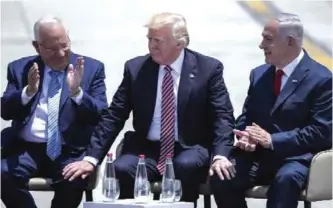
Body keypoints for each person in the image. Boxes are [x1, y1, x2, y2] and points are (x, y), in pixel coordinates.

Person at [63, 12, 235, 205]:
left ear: (180, 43)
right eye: (150, 39)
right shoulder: (136, 68)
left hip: (189, 147)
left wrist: (221, 155)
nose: (152, 45)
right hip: (147, 148)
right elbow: (114, 116)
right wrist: (91, 159)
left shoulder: (208, 69)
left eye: (158, 40)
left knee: (185, 166)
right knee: (122, 168)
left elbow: (223, 115)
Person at [210, 13, 332, 208]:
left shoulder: (321, 79)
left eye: (268, 39)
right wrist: (245, 136)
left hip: (296, 159)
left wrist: (272, 141)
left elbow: (321, 132)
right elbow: (248, 116)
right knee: (223, 176)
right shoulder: (259, 74)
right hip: (258, 157)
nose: (261, 45)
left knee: (285, 181)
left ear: (290, 41)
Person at [1, 15, 108, 208]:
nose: (60, 54)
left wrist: (77, 93)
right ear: (37, 46)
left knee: (73, 177)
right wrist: (28, 92)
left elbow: (100, 114)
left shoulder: (91, 68)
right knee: (3, 173)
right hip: (28, 148)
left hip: (69, 148)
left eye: (64, 45)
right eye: (51, 49)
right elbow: (6, 111)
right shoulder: (20, 68)